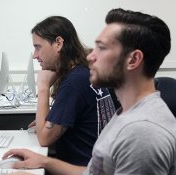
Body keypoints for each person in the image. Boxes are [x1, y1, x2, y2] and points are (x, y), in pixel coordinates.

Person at [0, 8, 176, 175]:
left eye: (102, 49)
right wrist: (45, 162)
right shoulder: (126, 115)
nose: (90, 56)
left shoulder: (143, 133)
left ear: (133, 60)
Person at [29, 16, 116, 166]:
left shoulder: (74, 83)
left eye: (38, 47)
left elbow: (44, 140)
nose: (35, 55)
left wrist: (43, 87)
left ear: (58, 43)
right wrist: (48, 120)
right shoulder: (85, 72)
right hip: (99, 167)